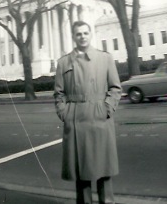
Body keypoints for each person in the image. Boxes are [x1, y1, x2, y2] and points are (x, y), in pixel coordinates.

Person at [54, 20, 121, 204]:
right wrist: (65, 113)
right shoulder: (63, 62)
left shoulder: (105, 58)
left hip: (100, 115)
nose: (82, 37)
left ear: (90, 35)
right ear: (73, 37)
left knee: (104, 169)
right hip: (76, 118)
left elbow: (115, 88)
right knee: (81, 171)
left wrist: (107, 109)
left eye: (85, 33)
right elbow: (59, 93)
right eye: (78, 34)